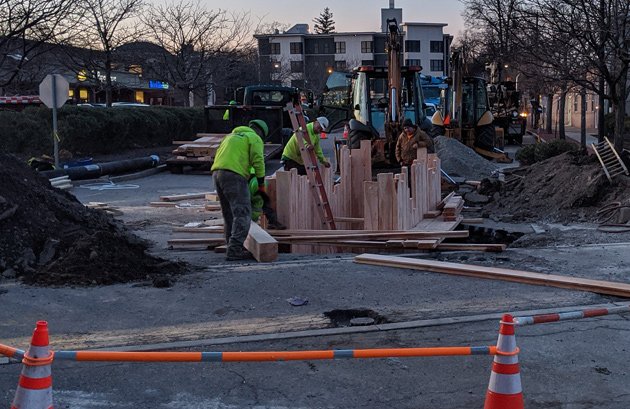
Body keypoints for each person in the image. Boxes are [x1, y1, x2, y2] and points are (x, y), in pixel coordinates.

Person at [211, 119, 268, 261]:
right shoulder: (254, 138)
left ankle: (231, 245)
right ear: (261, 132)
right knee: (243, 213)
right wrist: (261, 182)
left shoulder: (230, 136)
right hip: (234, 175)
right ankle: (235, 250)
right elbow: (258, 160)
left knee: (229, 213)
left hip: (217, 174)